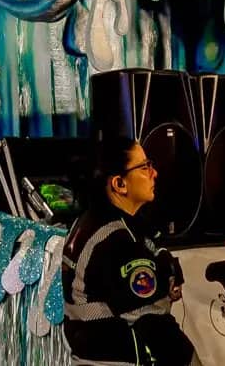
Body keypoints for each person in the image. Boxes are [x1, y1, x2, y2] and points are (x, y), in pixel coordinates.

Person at [61, 137, 193, 366]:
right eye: (144, 167)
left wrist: (168, 273)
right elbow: (153, 322)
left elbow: (158, 249)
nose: (155, 173)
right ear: (119, 184)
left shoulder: (108, 222)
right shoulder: (114, 239)